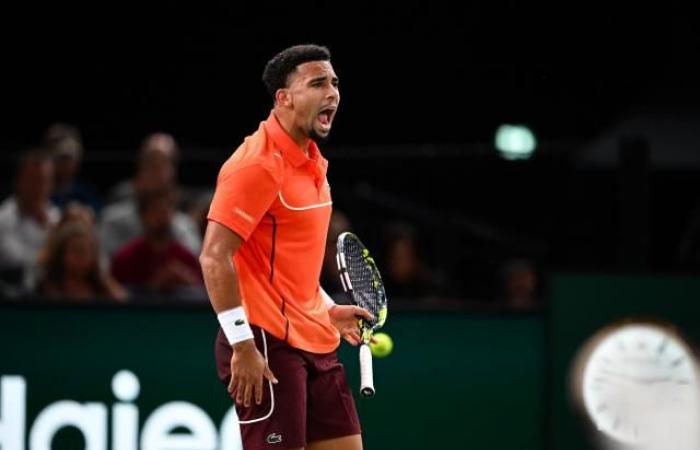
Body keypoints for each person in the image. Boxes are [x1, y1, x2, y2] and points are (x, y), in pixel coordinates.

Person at [200, 44, 371, 450]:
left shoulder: (313, 162)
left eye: (334, 82)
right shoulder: (256, 165)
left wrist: (328, 309)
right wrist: (241, 343)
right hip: (266, 344)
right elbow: (213, 256)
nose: (332, 92)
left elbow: (291, 264)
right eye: (317, 83)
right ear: (284, 98)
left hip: (316, 339)